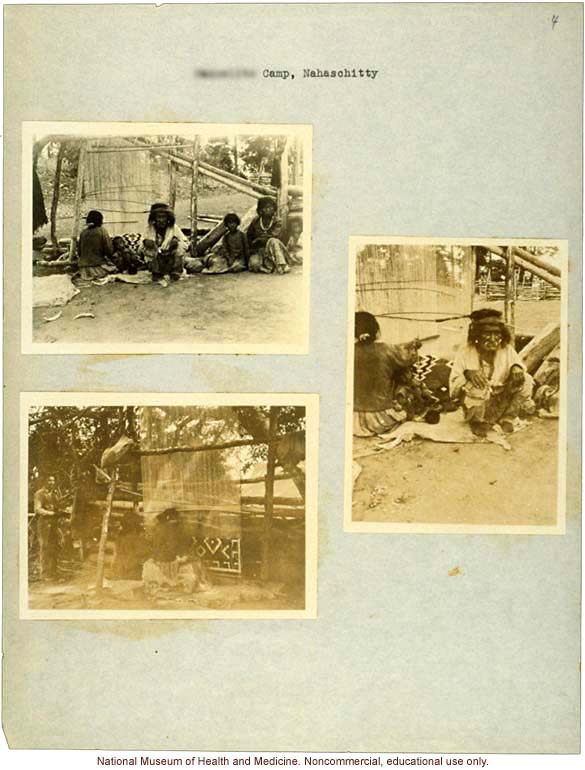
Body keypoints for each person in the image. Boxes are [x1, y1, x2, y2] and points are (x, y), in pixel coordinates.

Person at [450, 308, 535, 437]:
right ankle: (477, 422)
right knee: (477, 383)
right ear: (477, 335)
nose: (493, 339)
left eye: (497, 334)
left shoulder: (507, 350)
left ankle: (507, 418)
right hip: (478, 404)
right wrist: (468, 374)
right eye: (487, 333)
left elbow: (519, 365)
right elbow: (453, 385)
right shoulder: (465, 352)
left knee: (526, 379)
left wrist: (516, 367)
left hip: (502, 401)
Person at [353, 311, 423, 437]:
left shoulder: (349, 351)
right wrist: (414, 346)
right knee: (405, 377)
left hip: (353, 420)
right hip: (381, 420)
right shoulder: (387, 349)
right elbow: (407, 359)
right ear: (376, 330)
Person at [141, 203, 188, 286]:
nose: (161, 220)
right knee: (148, 250)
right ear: (154, 218)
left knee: (180, 247)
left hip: (170, 259)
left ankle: (176, 272)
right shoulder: (149, 228)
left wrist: (175, 242)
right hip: (158, 261)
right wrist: (147, 243)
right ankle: (156, 273)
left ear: (168, 218)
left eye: (164, 217)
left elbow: (185, 242)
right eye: (159, 217)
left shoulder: (173, 228)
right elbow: (141, 246)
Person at [246, 197, 290, 274]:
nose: (270, 209)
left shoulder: (277, 221)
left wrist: (258, 240)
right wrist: (252, 247)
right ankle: (268, 266)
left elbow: (274, 236)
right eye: (266, 207)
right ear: (261, 210)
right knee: (254, 265)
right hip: (260, 250)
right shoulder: (255, 221)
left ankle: (282, 264)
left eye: (271, 207)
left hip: (275, 249)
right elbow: (249, 235)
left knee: (272, 240)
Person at [33, 474, 60, 580]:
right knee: (44, 547)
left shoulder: (55, 493)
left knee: (55, 546)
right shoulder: (39, 494)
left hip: (54, 524)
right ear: (45, 482)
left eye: (53, 481)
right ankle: (44, 574)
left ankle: (54, 572)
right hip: (44, 523)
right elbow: (37, 509)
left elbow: (57, 506)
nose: (52, 483)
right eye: (49, 480)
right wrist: (51, 513)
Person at [77, 210, 117, 281]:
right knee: (115, 267)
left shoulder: (83, 232)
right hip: (98, 269)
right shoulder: (102, 231)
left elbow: (79, 252)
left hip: (83, 271)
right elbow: (109, 250)